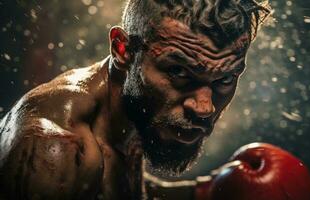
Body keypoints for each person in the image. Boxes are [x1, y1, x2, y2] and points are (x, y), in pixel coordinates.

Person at [0, 0, 273, 199]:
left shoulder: (137, 112)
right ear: (123, 49)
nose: (205, 107)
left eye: (224, 80)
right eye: (179, 72)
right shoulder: (55, 153)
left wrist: (204, 192)